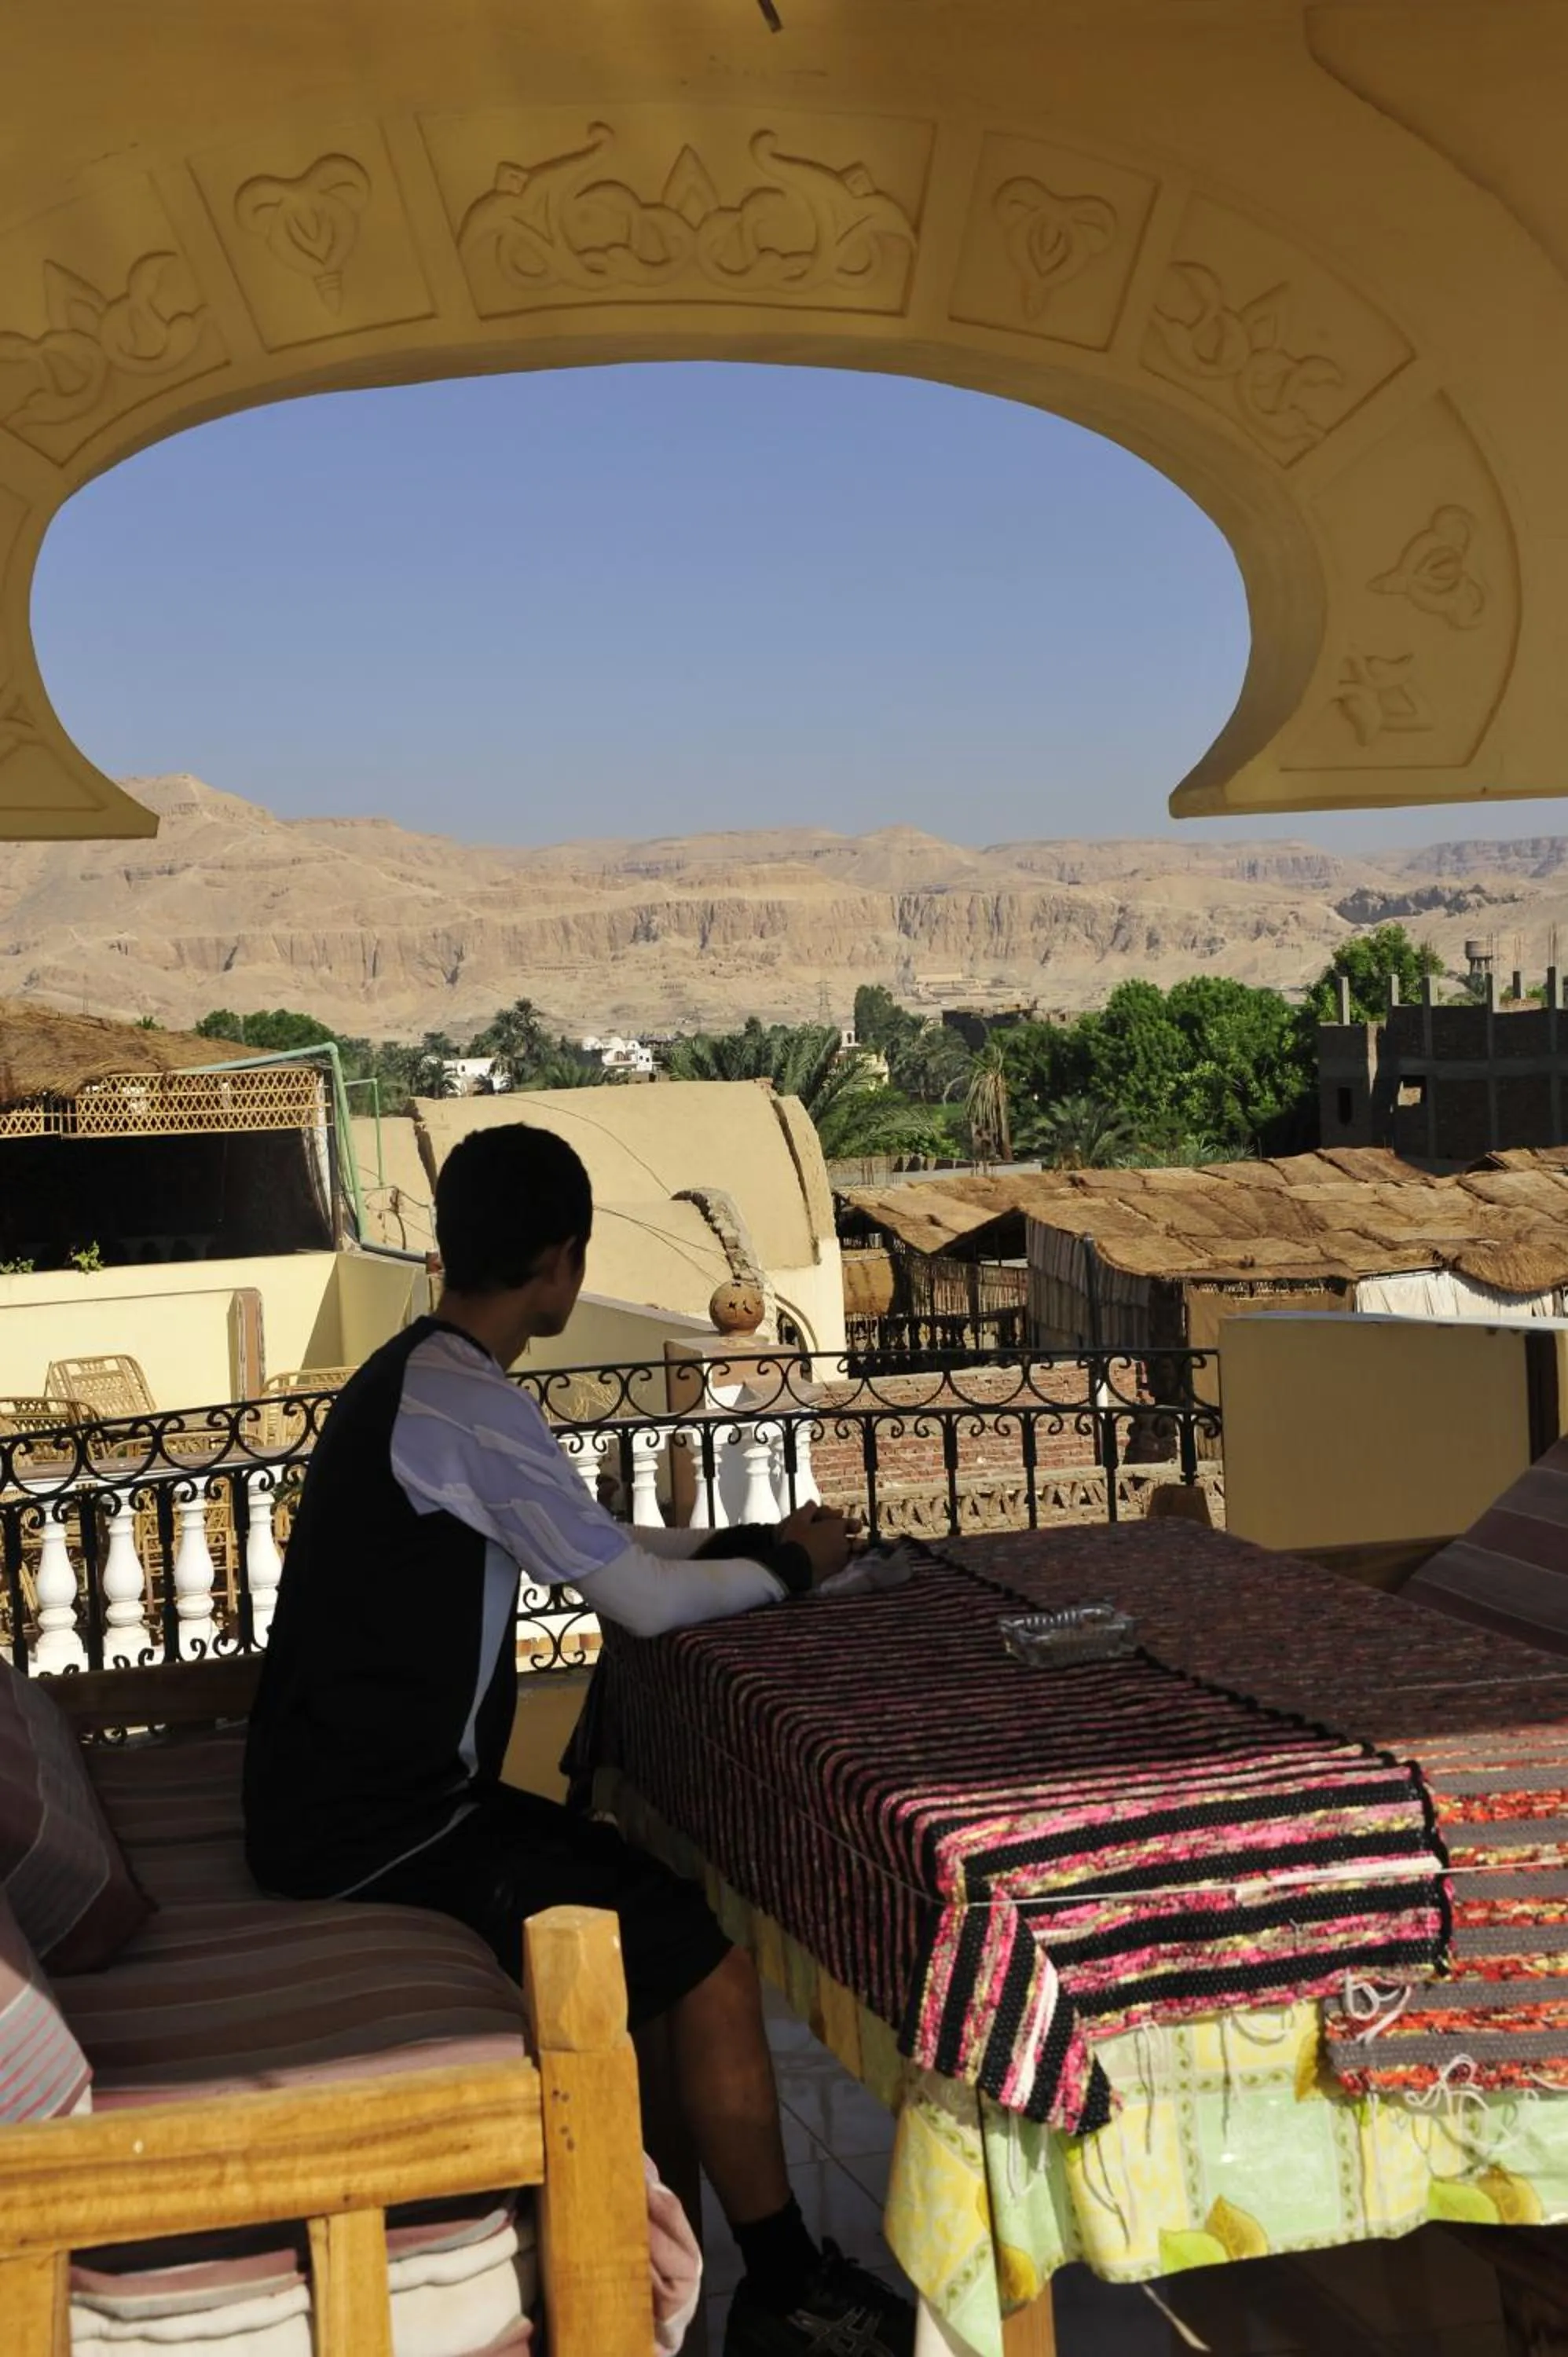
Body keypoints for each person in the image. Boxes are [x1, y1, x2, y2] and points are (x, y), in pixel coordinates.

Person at [244, 1121, 915, 2357]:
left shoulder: (430, 1378)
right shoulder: (464, 1401)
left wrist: (775, 1561)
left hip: (350, 1805)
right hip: (376, 1833)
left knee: (645, 1919)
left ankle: (680, 2228)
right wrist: (784, 1562)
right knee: (705, 1960)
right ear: (562, 1264)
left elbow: (608, 1551)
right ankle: (787, 2289)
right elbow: (642, 1603)